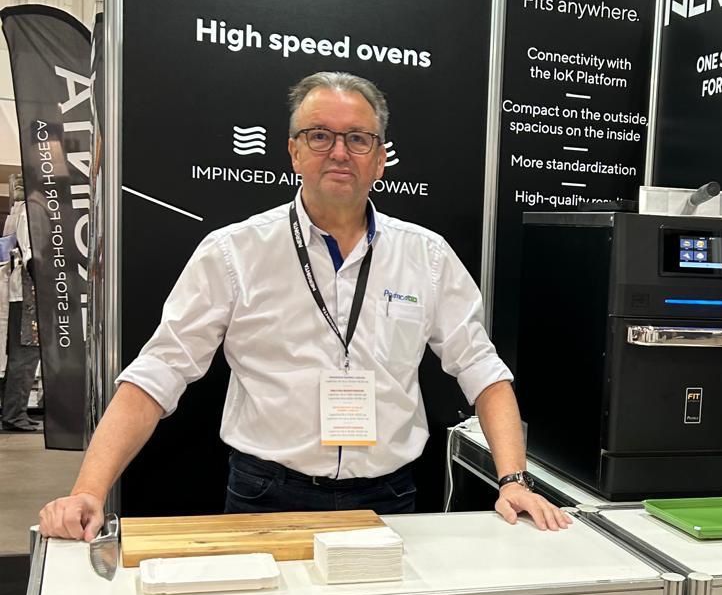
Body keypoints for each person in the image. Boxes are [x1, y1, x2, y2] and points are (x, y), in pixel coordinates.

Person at [39, 72, 569, 539]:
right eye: (320, 136)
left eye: (358, 139)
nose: (339, 152)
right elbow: (158, 373)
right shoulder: (234, 252)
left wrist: (513, 479)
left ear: (381, 158)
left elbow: (481, 368)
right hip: (266, 498)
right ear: (293, 151)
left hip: (390, 501)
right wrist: (89, 490)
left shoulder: (425, 256)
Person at [1, 199, 41, 433]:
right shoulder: (30, 210)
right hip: (28, 293)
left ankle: (14, 412)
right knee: (26, 354)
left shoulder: (19, 211)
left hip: (19, 292)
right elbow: (32, 257)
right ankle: (15, 414)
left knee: (21, 355)